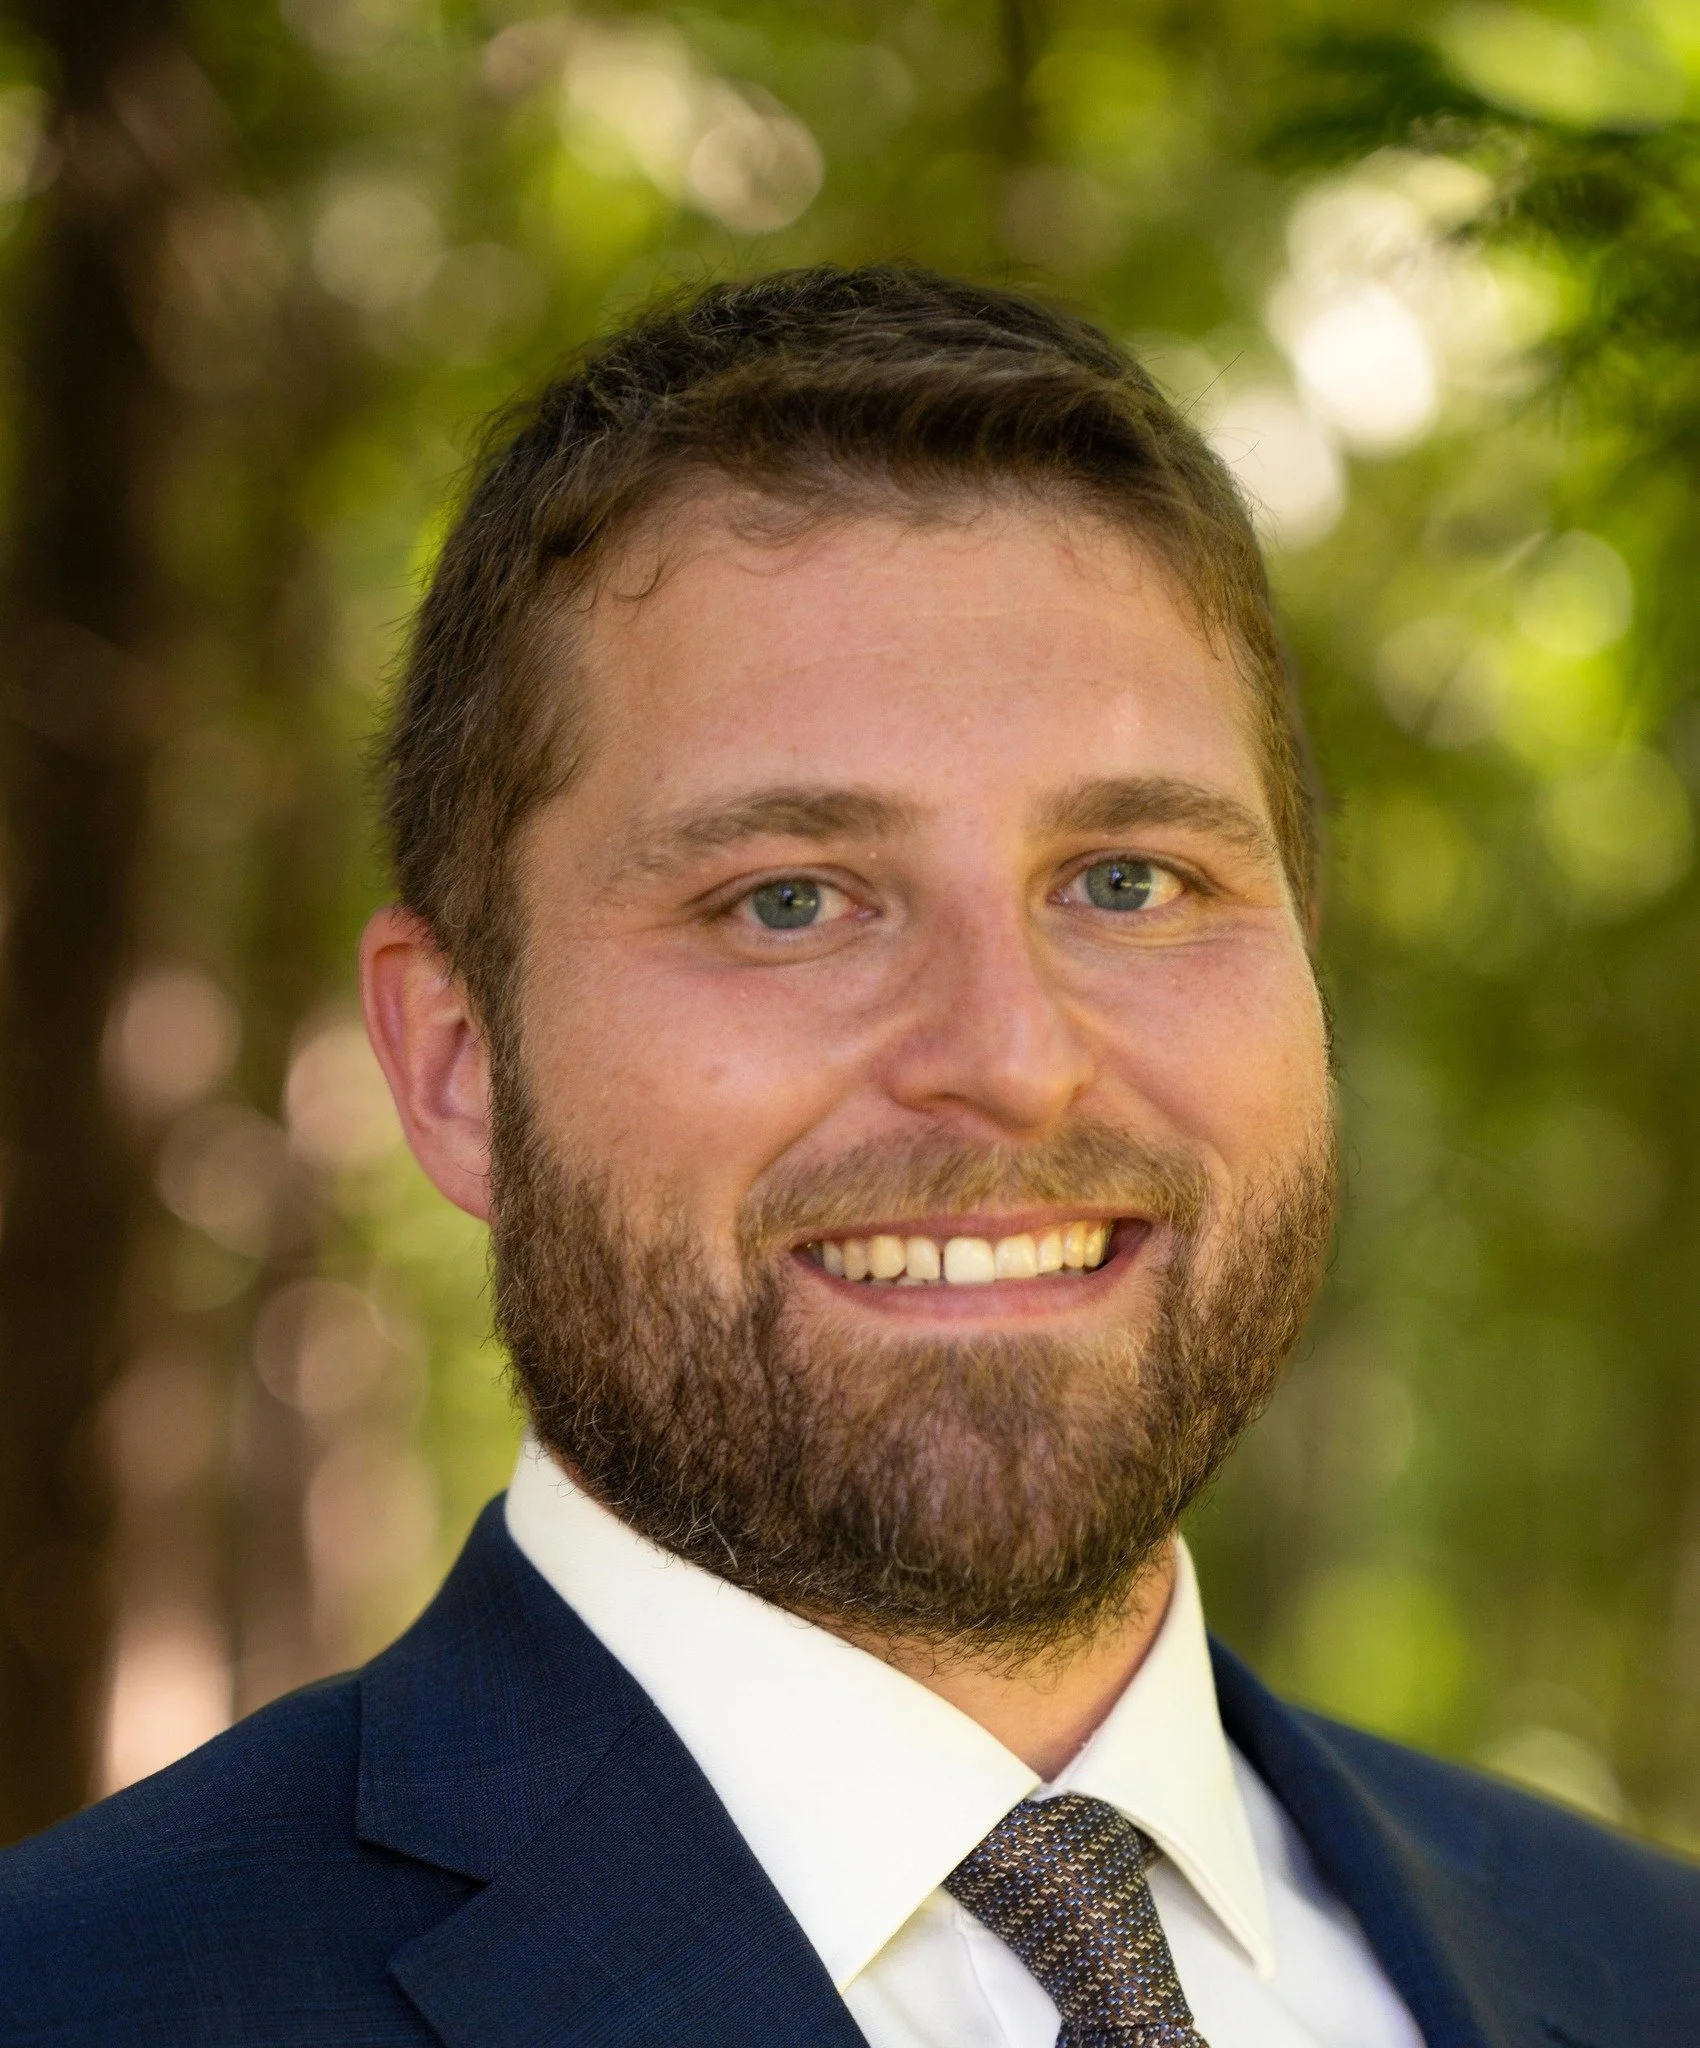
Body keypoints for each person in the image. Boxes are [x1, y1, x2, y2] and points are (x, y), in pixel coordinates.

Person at [1, 265, 1695, 2048]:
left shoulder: (1649, 1970)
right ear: (455, 1062)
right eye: (790, 900)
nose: (1011, 1060)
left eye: (1131, 881)